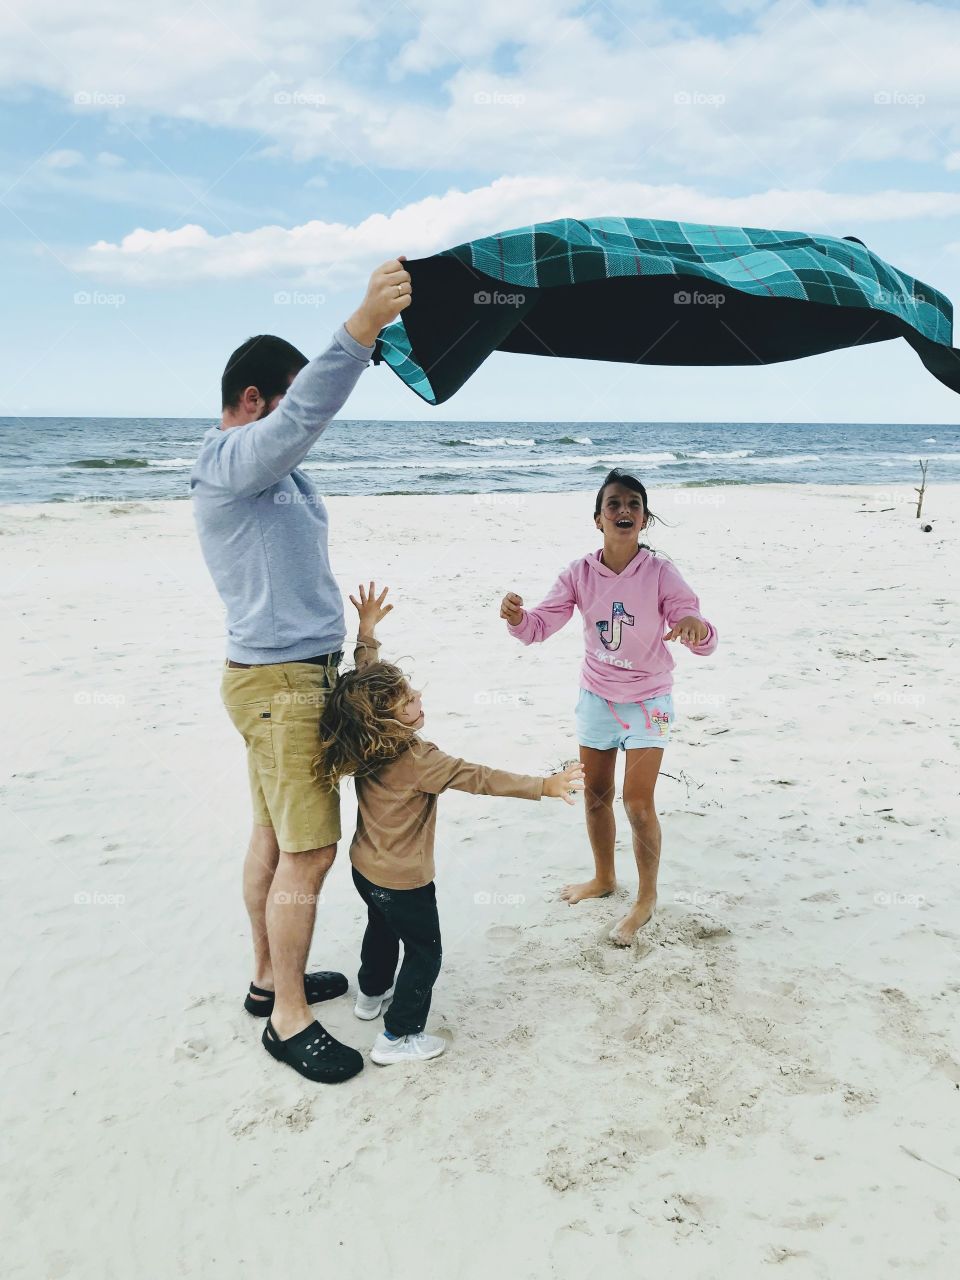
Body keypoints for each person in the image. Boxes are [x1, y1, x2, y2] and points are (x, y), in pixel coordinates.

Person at [189, 258, 412, 1085]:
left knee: (273, 838)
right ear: (252, 402)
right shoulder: (232, 458)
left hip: (277, 680)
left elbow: (301, 420)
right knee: (310, 853)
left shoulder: (258, 467)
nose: (295, 424)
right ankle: (288, 1018)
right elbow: (306, 413)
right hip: (282, 688)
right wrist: (360, 327)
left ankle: (266, 979)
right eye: (282, 404)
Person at [317, 584, 586, 1066]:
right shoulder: (419, 759)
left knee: (380, 926)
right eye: (408, 700)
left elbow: (364, 675)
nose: (418, 697)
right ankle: (398, 1037)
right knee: (425, 951)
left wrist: (367, 632)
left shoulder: (363, 734)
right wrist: (543, 786)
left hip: (365, 870)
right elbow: (479, 778)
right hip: (405, 882)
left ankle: (370, 996)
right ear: (387, 718)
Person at [500, 468, 718, 946]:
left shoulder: (660, 572)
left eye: (634, 504)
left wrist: (694, 626)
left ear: (645, 519)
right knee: (596, 795)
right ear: (598, 518)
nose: (624, 511)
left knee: (638, 802)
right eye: (614, 504)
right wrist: (517, 618)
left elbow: (695, 622)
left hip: (649, 699)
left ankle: (646, 898)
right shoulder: (578, 574)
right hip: (596, 697)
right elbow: (539, 626)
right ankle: (603, 878)